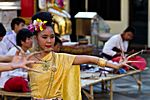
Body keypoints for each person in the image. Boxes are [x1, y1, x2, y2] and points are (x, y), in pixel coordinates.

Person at [26, 11, 127, 100]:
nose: (49, 41)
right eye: (44, 37)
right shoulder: (28, 59)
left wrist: (115, 65)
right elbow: (11, 64)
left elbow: (92, 59)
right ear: (36, 38)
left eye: (52, 37)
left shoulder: (62, 58)